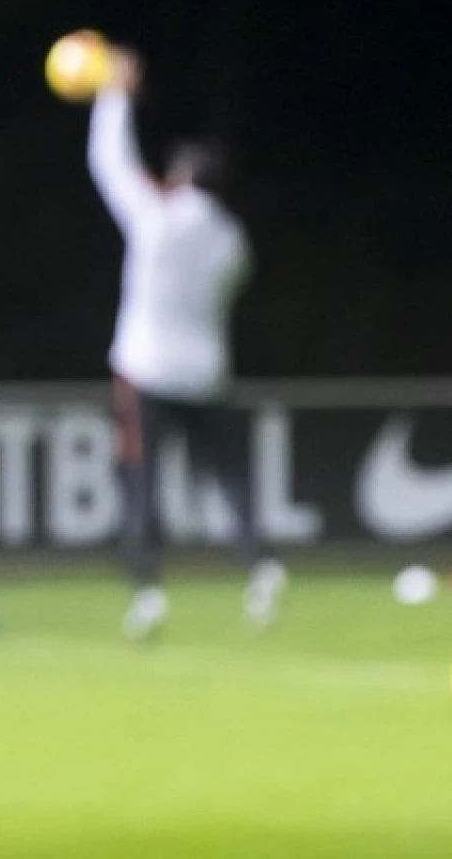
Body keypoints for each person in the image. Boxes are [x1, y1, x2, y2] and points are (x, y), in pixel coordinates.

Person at [86, 46, 287, 639]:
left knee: (143, 482)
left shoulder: (158, 216)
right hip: (206, 373)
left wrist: (113, 96)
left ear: (181, 176)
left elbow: (109, 162)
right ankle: (264, 566)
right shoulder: (233, 240)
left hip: (146, 370)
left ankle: (147, 594)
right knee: (229, 477)